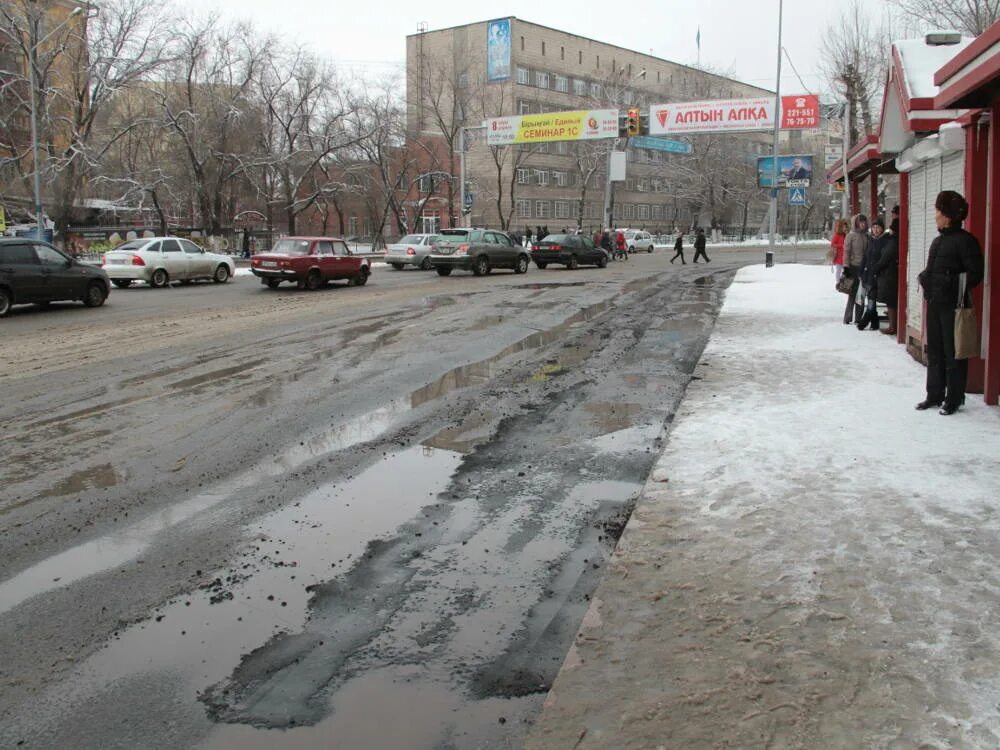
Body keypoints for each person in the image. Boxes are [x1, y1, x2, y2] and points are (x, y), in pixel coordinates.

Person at [915, 191, 984, 415]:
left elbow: (975, 274)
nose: (935, 215)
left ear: (948, 215)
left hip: (954, 307)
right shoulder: (938, 241)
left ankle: (954, 398)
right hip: (935, 303)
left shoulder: (966, 242)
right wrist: (925, 277)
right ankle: (934, 394)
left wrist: (948, 281)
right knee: (934, 351)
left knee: (953, 353)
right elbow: (933, 269)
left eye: (938, 211)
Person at [856, 218, 885, 331]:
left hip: (877, 275)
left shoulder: (884, 241)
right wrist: (861, 271)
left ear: (882, 228)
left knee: (872, 299)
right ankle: (875, 322)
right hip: (867, 274)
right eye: (874, 228)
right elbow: (865, 257)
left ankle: (863, 323)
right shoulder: (871, 240)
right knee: (869, 297)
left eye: (878, 227)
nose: (876, 230)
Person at [873, 217, 899, 336]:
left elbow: (885, 259)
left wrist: (875, 268)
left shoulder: (892, 242)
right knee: (892, 301)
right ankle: (894, 325)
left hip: (890, 275)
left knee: (891, 302)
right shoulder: (894, 240)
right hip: (891, 273)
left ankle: (893, 326)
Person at [842, 214, 868, 325]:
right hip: (853, 267)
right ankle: (847, 317)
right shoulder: (851, 235)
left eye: (864, 222)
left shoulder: (867, 235)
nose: (863, 224)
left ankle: (859, 317)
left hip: (864, 268)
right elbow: (846, 252)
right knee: (852, 294)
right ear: (856, 223)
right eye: (861, 222)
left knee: (861, 293)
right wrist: (846, 267)